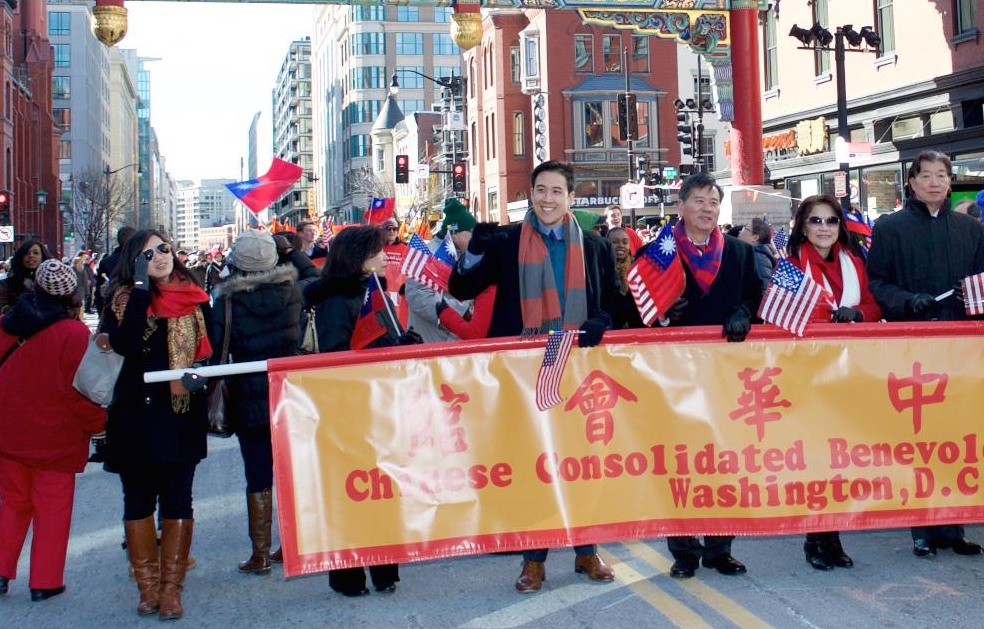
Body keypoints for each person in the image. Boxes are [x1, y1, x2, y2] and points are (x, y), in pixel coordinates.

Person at [448, 160, 618, 592]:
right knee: (532, 463)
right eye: (541, 190)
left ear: (570, 198)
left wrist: (602, 319)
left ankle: (587, 552)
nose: (547, 199)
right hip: (523, 368)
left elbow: (615, 301)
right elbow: (461, 288)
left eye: (557, 191)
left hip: (579, 367)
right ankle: (533, 560)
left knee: (583, 462)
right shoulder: (506, 242)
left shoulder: (595, 246)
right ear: (532, 194)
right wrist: (476, 250)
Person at [867, 149, 984, 559]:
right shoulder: (890, 227)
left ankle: (953, 526)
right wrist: (906, 301)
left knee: (956, 438)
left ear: (950, 182)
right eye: (926, 175)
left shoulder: (970, 229)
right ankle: (920, 526)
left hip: (959, 345)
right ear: (912, 182)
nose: (935, 182)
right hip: (912, 345)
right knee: (918, 440)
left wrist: (973, 298)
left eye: (942, 175)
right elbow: (878, 283)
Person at [0, 258, 103, 603]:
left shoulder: (3, 326)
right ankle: (45, 580)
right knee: (52, 508)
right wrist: (101, 425)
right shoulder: (74, 334)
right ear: (71, 292)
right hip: (54, 436)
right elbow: (80, 393)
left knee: (12, 502)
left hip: (5, 432)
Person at [656, 174, 767, 579]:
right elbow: (638, 307)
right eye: (699, 201)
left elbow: (757, 295)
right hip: (676, 375)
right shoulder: (661, 251)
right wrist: (666, 317)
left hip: (726, 374)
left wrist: (744, 312)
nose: (707, 208)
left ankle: (720, 548)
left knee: (725, 460)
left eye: (713, 202)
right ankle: (684, 551)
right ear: (681, 206)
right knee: (682, 462)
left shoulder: (738, 251)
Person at [101, 230, 211, 620]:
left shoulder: (194, 295)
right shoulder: (122, 300)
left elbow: (212, 351)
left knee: (179, 498)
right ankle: (147, 588)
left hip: (181, 415)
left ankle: (171, 589)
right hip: (134, 417)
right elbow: (126, 344)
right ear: (135, 262)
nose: (161, 256)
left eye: (164, 249)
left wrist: (200, 375)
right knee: (139, 500)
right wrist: (143, 290)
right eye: (149, 253)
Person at [304, 225, 409, 597]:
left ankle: (384, 568)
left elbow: (379, 339)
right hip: (347, 409)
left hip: (379, 403)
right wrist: (384, 349)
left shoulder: (374, 290)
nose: (385, 256)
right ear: (358, 258)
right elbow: (337, 355)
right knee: (351, 492)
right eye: (378, 251)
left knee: (383, 488)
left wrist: (400, 344)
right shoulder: (336, 300)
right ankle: (347, 575)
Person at [780, 194, 881, 572]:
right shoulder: (790, 266)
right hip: (808, 375)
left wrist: (857, 314)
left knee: (842, 460)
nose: (824, 228)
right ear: (803, 227)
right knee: (814, 462)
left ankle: (834, 537)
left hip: (850, 372)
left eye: (831, 221)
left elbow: (873, 306)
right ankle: (814, 540)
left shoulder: (854, 262)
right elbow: (779, 318)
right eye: (815, 221)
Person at [209, 231, 305, 577]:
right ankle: (292, 545)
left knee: (258, 473)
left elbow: (217, 347)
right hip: (288, 391)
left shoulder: (228, 301)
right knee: (290, 470)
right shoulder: (291, 292)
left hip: (248, 395)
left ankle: (260, 553)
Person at [0, 237, 45, 323]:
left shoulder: (52, 282)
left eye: (36, 253)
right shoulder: (7, 284)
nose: (31, 256)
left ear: (42, 256)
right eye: (26, 253)